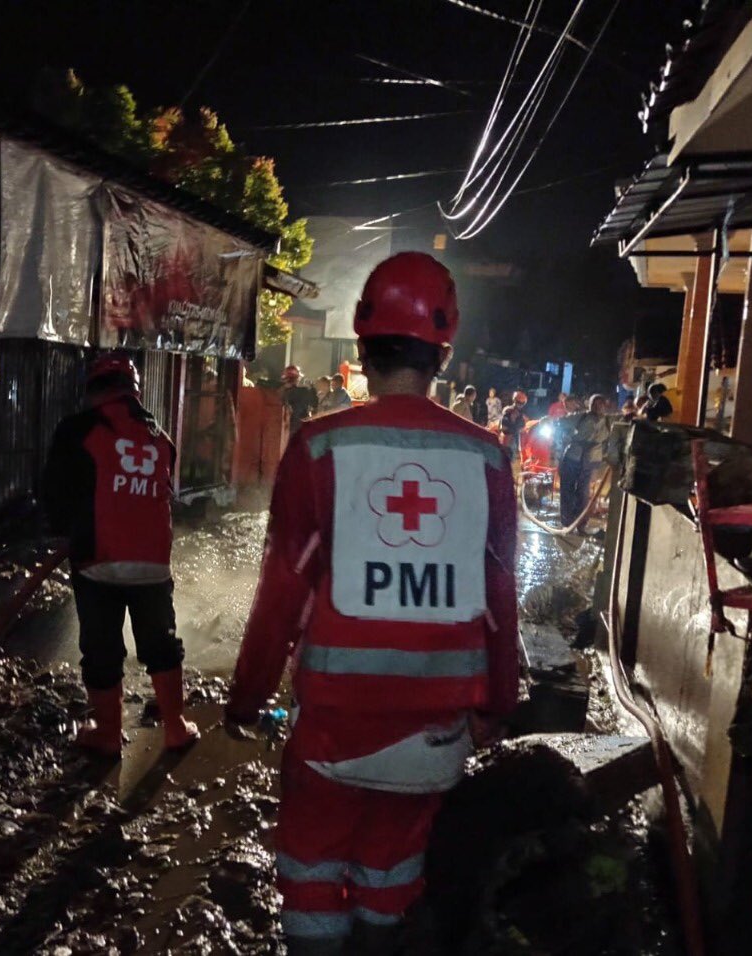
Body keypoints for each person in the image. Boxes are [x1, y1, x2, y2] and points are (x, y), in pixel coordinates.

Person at [225, 252, 519, 955]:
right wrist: (497, 703)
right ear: (443, 353)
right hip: (435, 731)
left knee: (311, 869)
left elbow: (282, 591)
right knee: (392, 871)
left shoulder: (319, 446)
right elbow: (498, 594)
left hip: (334, 726)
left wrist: (247, 698)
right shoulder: (485, 458)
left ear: (361, 345)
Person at [43, 352, 199, 757]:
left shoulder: (78, 429)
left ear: (94, 390)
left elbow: (54, 495)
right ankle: (176, 728)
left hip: (99, 562)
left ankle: (109, 735)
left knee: (101, 650)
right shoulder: (161, 437)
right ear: (134, 391)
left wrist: (63, 529)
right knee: (161, 644)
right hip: (153, 564)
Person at [559, 393, 611, 527]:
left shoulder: (608, 420)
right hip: (573, 457)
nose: (598, 407)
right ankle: (567, 520)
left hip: (591, 460)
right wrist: (569, 435)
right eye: (595, 404)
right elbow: (561, 422)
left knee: (583, 492)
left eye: (600, 404)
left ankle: (581, 521)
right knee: (568, 489)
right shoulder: (581, 416)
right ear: (590, 405)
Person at [281, 364, 318, 436]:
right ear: (297, 378)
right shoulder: (304, 391)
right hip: (299, 429)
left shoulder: (279, 392)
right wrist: (313, 389)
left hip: (283, 429)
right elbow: (314, 403)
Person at [499, 390, 530, 475]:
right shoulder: (510, 411)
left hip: (512, 441)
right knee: (506, 465)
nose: (521, 405)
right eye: (520, 403)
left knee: (508, 464)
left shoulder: (518, 413)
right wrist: (515, 425)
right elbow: (504, 427)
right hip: (509, 441)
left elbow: (522, 425)